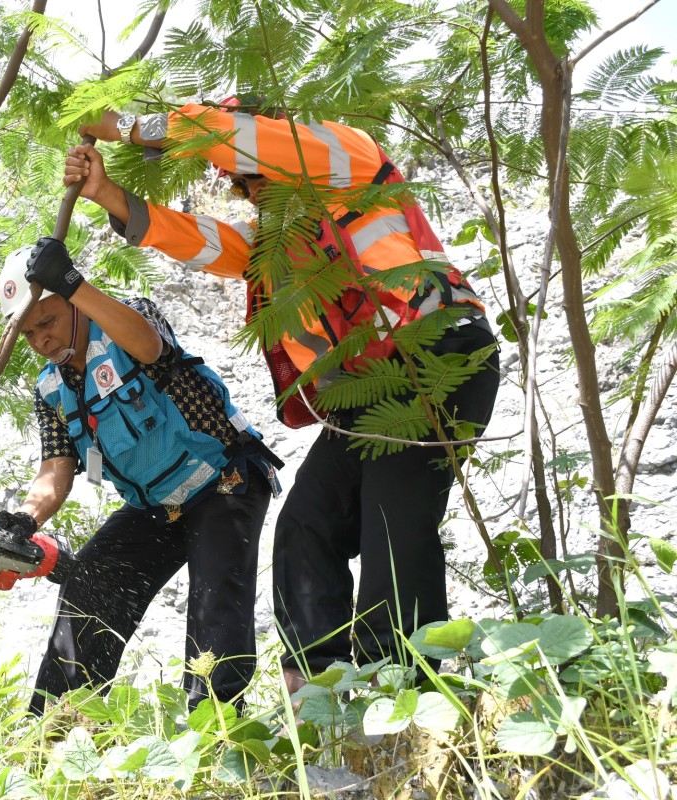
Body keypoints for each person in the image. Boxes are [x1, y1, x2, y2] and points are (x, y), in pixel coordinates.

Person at [62, 100, 500, 693]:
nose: (244, 189)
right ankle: (315, 694)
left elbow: (218, 132)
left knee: (393, 521)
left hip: (435, 359)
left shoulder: (340, 152)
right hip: (370, 394)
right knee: (305, 525)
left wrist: (123, 125)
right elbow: (209, 243)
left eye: (247, 174)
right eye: (241, 184)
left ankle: (407, 693)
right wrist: (111, 196)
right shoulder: (281, 240)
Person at [0, 238, 280, 716]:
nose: (41, 339)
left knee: (215, 601)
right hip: (155, 506)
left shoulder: (128, 319)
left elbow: (150, 348)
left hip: (223, 478)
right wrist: (24, 519)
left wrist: (74, 283)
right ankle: (54, 726)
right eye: (28, 332)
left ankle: (218, 725)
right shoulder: (50, 390)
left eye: (47, 321)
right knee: (90, 583)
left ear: (75, 303)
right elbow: (55, 471)